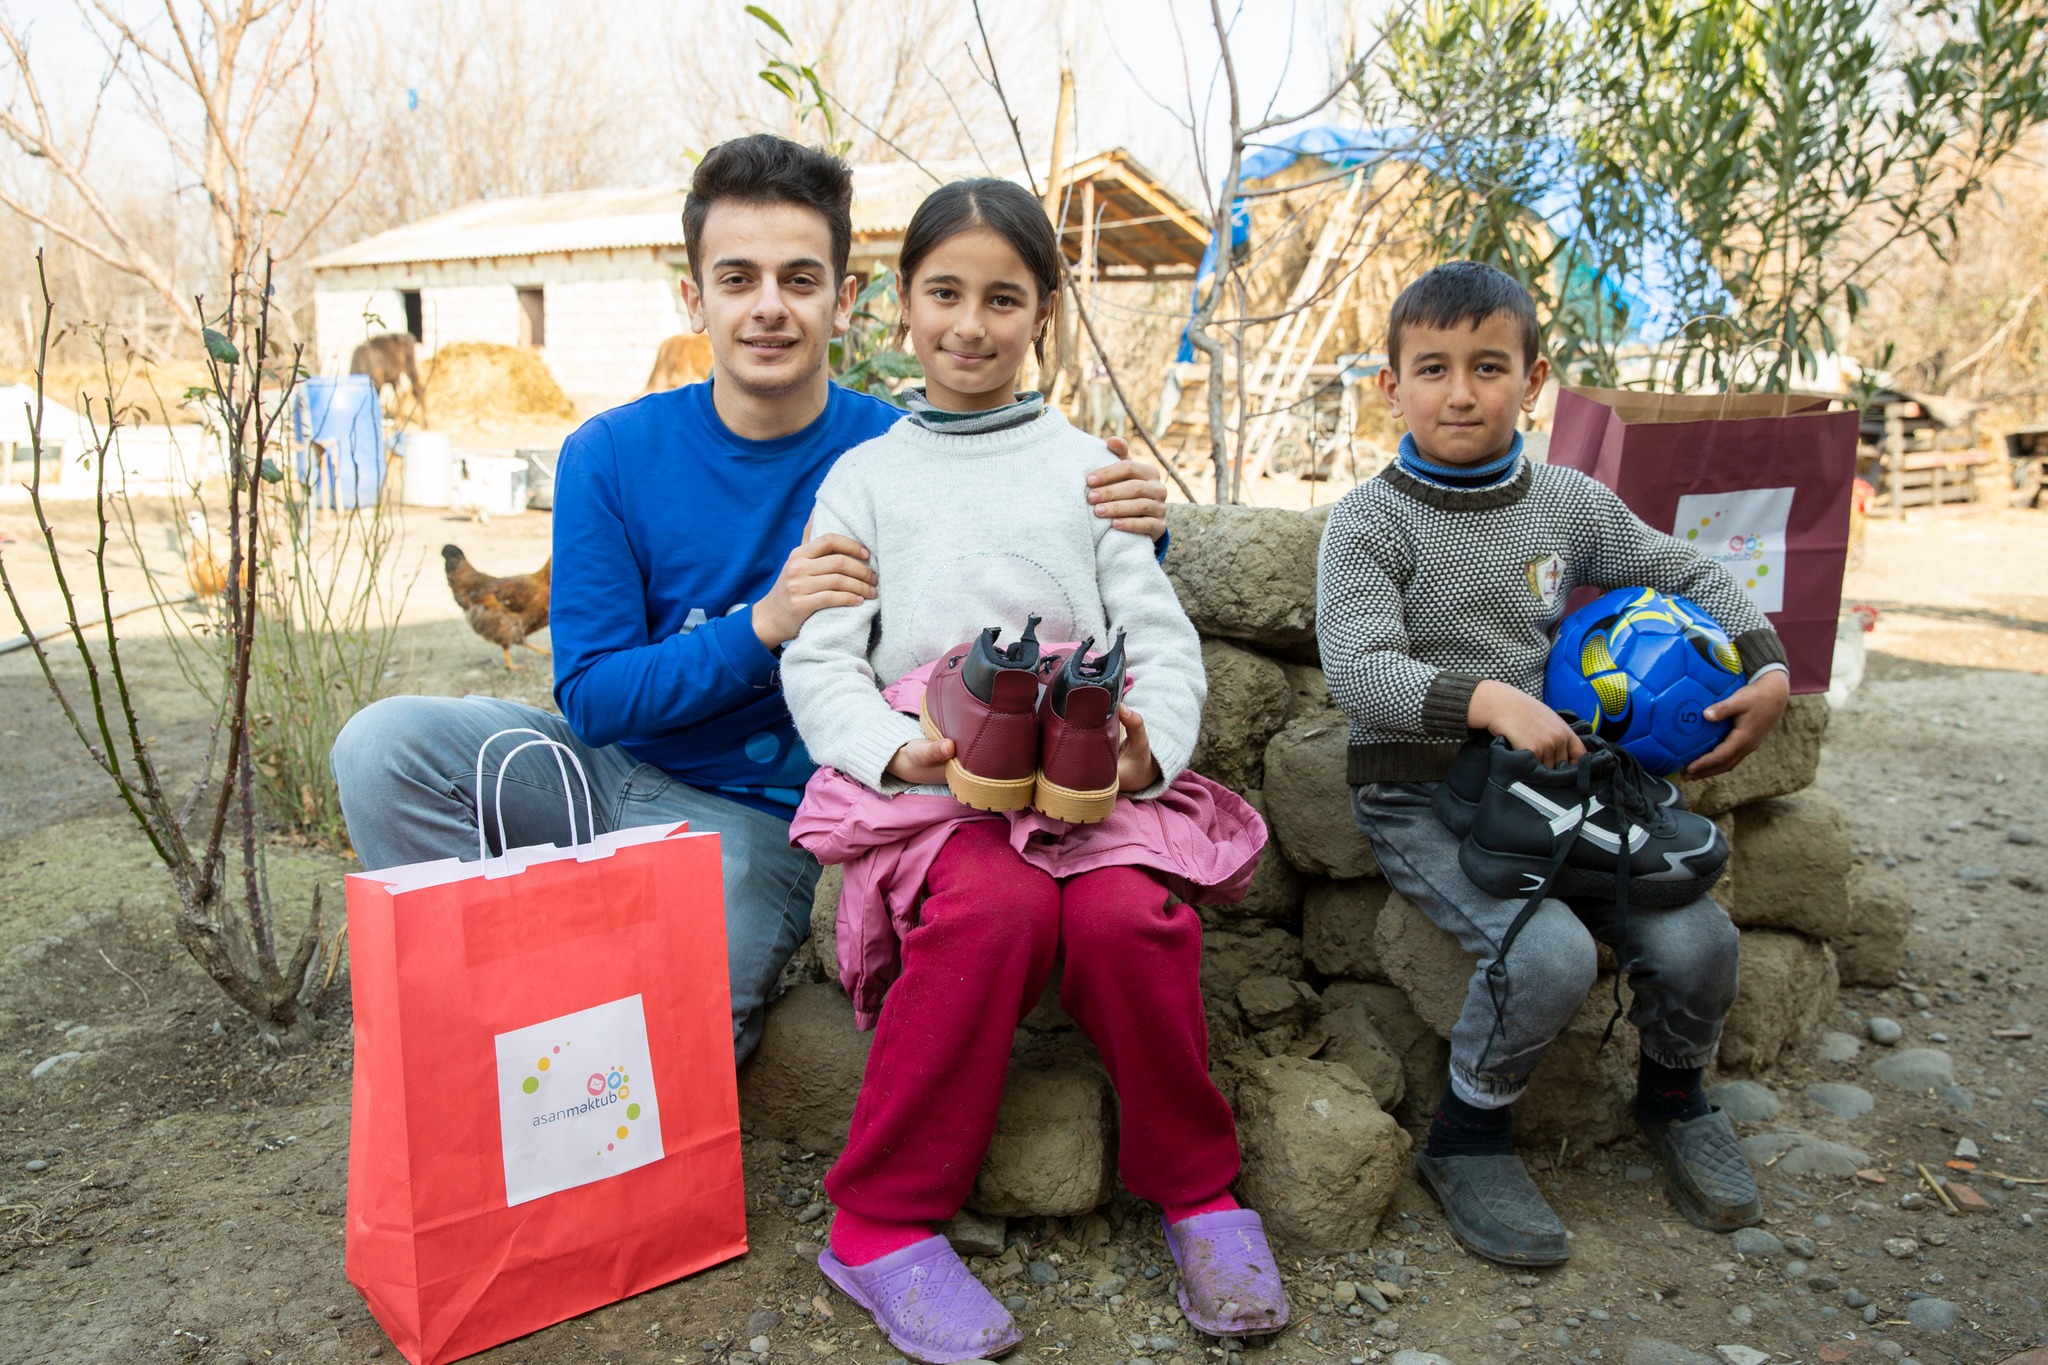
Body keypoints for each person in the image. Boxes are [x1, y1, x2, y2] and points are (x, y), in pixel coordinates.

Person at [328, 135, 1170, 1062]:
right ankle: (475, 1024)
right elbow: (594, 699)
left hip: (757, 816)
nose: (769, 306)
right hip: (599, 772)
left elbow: (1023, 563)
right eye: (737, 278)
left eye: (800, 279)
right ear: (694, 299)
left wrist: (1137, 522)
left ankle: (581, 1036)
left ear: (845, 301)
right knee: (382, 747)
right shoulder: (609, 454)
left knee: (669, 1045)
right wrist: (764, 624)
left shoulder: (902, 460)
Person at [779, 177, 1287, 1365]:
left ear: (1042, 314)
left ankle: (1196, 1191)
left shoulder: (1086, 471)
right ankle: (879, 1221)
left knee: (1129, 919)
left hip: (1081, 772)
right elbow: (820, 658)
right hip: (938, 779)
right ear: (901, 303)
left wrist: (1146, 748)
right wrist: (890, 751)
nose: (970, 325)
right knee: (990, 909)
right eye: (943, 294)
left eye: (1002, 299)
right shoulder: (863, 480)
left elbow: (1157, 638)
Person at [1315, 261, 1793, 1266]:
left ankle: (1675, 1098)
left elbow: (1685, 567)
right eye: (1432, 368)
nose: (1459, 392)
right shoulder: (1369, 521)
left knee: (1701, 939)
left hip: (1555, 789)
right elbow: (1359, 669)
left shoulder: (1569, 503)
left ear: (1533, 381)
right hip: (1417, 794)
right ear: (1390, 387)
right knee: (1550, 956)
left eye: (1488, 367)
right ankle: (1467, 1135)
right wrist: (1490, 701)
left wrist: (1765, 663)